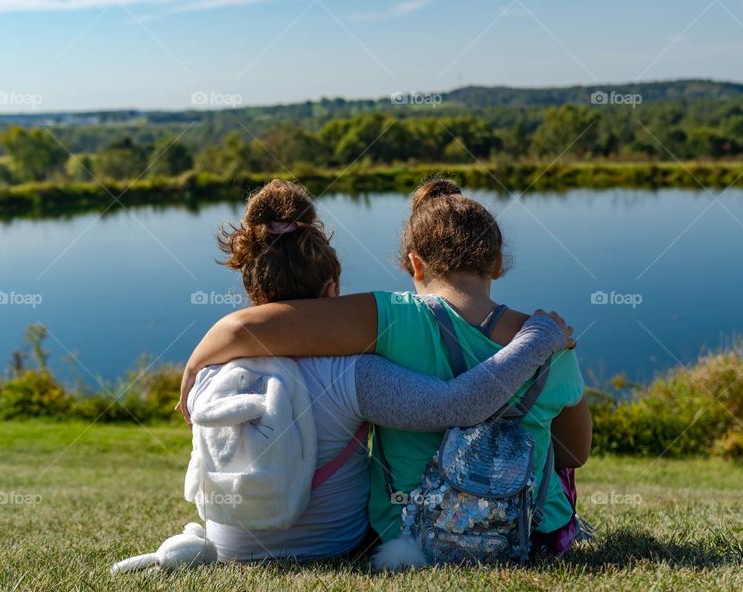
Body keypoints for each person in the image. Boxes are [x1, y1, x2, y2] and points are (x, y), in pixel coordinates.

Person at [186, 179, 574, 562]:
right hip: (348, 542)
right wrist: (538, 338)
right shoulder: (355, 371)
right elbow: (568, 447)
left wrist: (194, 365)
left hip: (242, 547)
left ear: (415, 265)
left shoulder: (212, 375)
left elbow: (242, 328)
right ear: (331, 291)